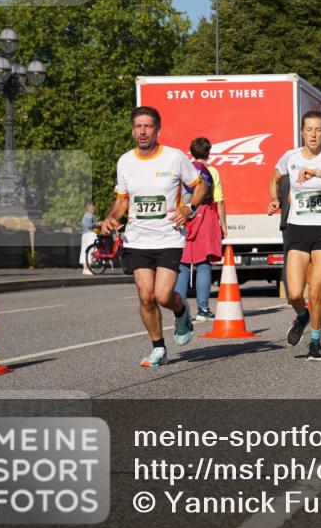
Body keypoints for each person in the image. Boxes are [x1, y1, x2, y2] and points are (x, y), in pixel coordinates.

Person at [101, 106, 208, 367]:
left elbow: (200, 186)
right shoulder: (125, 161)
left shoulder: (174, 158)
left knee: (162, 295)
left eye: (148, 126)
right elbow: (122, 201)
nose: (143, 131)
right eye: (138, 126)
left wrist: (188, 208)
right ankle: (158, 347)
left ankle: (181, 310)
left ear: (157, 130)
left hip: (169, 237)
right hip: (137, 239)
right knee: (145, 296)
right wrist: (111, 217)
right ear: (132, 130)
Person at [268, 110, 321, 361]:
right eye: (309, 130)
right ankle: (302, 316)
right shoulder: (290, 157)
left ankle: (315, 342)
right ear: (302, 132)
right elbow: (274, 179)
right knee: (294, 294)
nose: (313, 134)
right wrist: (274, 198)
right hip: (298, 228)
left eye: (318, 130)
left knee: (316, 291)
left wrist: (317, 172)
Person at [175, 137, 225, 321]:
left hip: (184, 215)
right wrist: (223, 223)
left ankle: (179, 311)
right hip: (205, 215)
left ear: (191, 151)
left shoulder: (184, 169)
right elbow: (219, 200)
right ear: (208, 153)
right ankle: (203, 309)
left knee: (182, 264)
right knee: (203, 263)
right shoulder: (212, 171)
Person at [79, 200, 98, 275]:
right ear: (89, 207)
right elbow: (89, 225)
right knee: (91, 251)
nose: (94, 208)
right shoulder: (90, 215)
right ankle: (88, 268)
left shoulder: (84, 215)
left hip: (84, 235)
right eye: (93, 207)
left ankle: (85, 268)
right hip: (90, 234)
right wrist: (98, 224)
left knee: (84, 251)